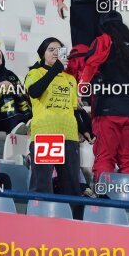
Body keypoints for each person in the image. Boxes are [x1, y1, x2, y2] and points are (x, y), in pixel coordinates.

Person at [79, 11, 129, 181]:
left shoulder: (103, 40)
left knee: (104, 159)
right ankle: (128, 203)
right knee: (128, 163)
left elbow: (91, 65)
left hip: (107, 112)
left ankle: (105, 202)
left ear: (103, 27)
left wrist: (80, 90)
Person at [24, 37, 94, 198]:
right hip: (47, 134)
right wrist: (55, 69)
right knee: (42, 186)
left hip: (69, 135)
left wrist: (84, 129)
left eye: (59, 50)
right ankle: (39, 221)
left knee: (71, 187)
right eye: (51, 49)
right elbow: (34, 91)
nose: (55, 53)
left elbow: (74, 109)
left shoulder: (70, 79)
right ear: (43, 54)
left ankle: (72, 221)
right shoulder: (35, 73)